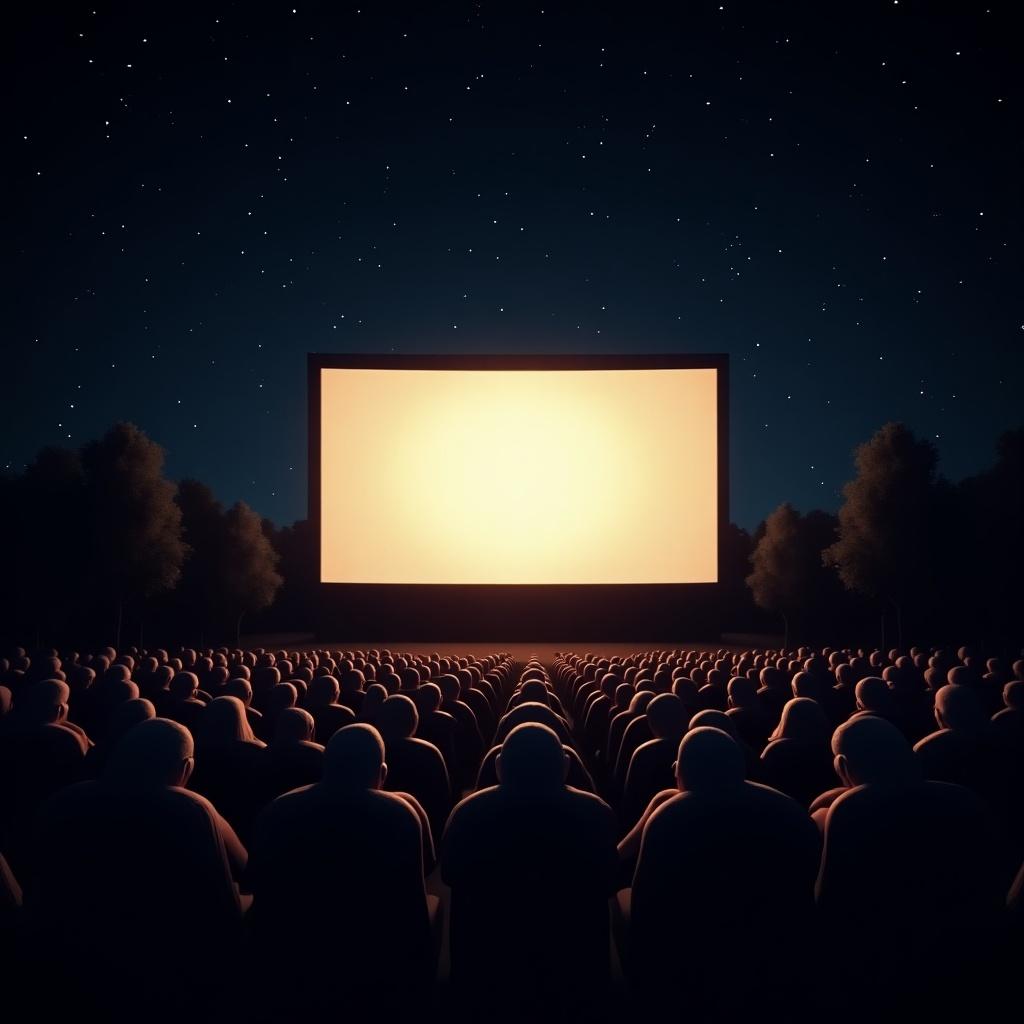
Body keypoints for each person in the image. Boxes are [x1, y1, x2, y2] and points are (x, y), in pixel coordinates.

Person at [25, 718, 246, 1023]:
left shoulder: (65, 798)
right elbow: (244, 871)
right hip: (167, 960)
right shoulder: (191, 809)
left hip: (66, 952)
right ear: (185, 767)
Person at [623, 727, 821, 1021]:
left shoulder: (671, 815)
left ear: (679, 770)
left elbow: (645, 901)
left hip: (693, 962)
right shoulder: (788, 808)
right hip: (779, 956)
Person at [817, 715, 1005, 1020]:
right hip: (972, 956)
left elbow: (829, 898)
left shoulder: (850, 810)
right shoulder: (962, 797)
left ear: (842, 765)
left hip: (881, 964)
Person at [246, 724, 435, 1018]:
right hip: (376, 958)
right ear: (382, 772)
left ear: (325, 763)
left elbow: (254, 881)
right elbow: (417, 889)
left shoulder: (280, 808)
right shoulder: (400, 813)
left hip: (291, 956)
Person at [442, 723, 618, 1021]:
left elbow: (448, 874)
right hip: (576, 971)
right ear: (565, 766)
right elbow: (611, 880)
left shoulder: (468, 812)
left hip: (486, 969)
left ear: (499, 766)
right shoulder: (596, 812)